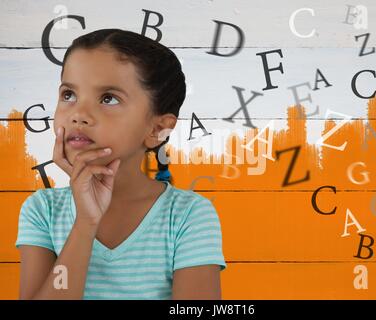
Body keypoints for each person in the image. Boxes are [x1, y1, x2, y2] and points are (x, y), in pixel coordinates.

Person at [15, 29, 226, 300]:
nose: (79, 114)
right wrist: (85, 224)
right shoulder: (42, 210)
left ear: (157, 129)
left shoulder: (187, 216)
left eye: (108, 99)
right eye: (69, 94)